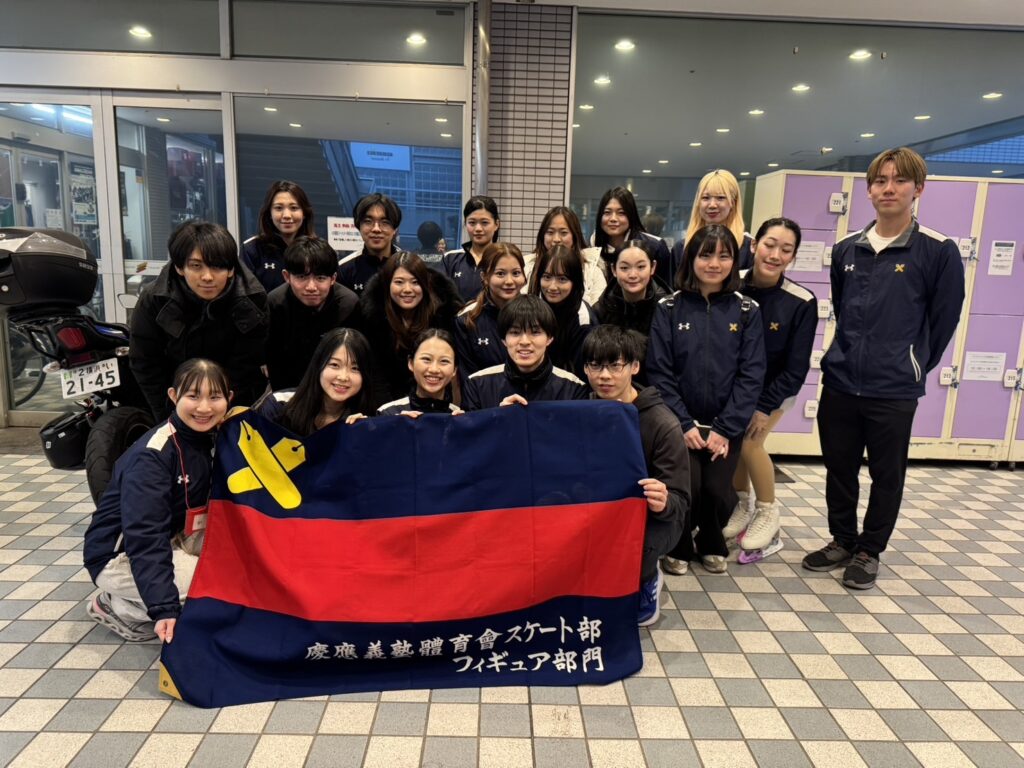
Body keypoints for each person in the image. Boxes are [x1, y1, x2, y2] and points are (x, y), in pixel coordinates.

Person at [804, 147, 965, 590]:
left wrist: (912, 364)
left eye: (899, 180)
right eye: (879, 181)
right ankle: (842, 539)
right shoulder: (846, 249)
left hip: (893, 388)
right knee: (839, 468)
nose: (888, 188)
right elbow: (842, 308)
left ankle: (869, 550)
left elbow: (944, 320)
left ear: (918, 188)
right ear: (869, 189)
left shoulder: (938, 250)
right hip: (841, 381)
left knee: (886, 474)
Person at [83, 359, 232, 643]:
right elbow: (145, 537)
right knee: (216, 587)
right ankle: (121, 607)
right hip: (121, 555)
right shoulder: (152, 456)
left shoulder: (208, 437)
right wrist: (164, 607)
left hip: (176, 535)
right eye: (193, 396)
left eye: (214, 397)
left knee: (242, 567)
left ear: (229, 399)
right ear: (173, 396)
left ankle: (150, 594)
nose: (204, 408)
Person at [646, 225, 766, 575]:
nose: (714, 263)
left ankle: (712, 541)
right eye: (705, 255)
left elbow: (751, 374)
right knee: (689, 487)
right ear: (691, 260)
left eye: (724, 256)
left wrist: (726, 429)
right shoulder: (669, 307)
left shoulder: (747, 310)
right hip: (679, 423)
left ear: (734, 261)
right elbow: (660, 370)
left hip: (725, 426)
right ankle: (679, 545)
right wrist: (682, 423)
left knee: (716, 490)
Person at [583, 326, 689, 626]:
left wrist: (663, 501)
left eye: (615, 366)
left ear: (635, 366)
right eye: (595, 366)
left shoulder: (662, 423)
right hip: (600, 509)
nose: (605, 376)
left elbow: (681, 500)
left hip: (653, 519)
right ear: (585, 368)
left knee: (637, 544)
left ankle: (647, 578)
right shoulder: (581, 410)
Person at [724, 218, 816, 556]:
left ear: (793, 256)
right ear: (754, 245)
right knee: (734, 443)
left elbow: (796, 368)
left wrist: (764, 406)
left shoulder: (801, 301)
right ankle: (741, 504)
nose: (775, 255)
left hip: (774, 390)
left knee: (750, 443)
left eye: (786, 250)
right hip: (733, 386)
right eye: (769, 245)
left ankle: (767, 511)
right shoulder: (730, 284)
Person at [130, 220, 268, 418]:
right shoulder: (155, 299)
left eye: (217, 266)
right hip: (172, 395)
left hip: (232, 397)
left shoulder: (252, 299)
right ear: (179, 267)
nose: (207, 277)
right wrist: (169, 416)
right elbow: (145, 362)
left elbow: (246, 366)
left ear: (231, 269)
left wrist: (222, 415)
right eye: (196, 266)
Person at [358, 251, 463, 408]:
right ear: (387, 284)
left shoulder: (443, 315)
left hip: (436, 400)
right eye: (399, 282)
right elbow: (375, 374)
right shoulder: (373, 319)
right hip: (387, 405)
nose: (407, 289)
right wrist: (392, 412)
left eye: (415, 282)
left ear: (425, 284)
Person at [462, 295, 589, 410]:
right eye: (515, 332)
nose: (524, 341)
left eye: (535, 332)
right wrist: (499, 417)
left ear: (549, 338)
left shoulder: (573, 388)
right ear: (503, 339)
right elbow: (471, 428)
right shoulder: (477, 384)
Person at [265, 236, 360, 390]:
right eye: (301, 277)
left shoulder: (348, 305)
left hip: (337, 385)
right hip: (289, 384)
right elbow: (275, 362)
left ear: (333, 278)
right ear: (287, 276)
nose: (311, 287)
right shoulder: (275, 303)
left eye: (320, 278)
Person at [257, 327, 375, 436]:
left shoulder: (364, 421)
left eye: (355, 368)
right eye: (334, 365)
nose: (343, 377)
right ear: (318, 365)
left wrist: (362, 439)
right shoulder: (278, 406)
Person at [452, 243, 528, 386]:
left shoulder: (536, 314)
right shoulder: (467, 320)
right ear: (485, 276)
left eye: (516, 273)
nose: (509, 281)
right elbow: (467, 378)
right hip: (483, 397)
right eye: (500, 274)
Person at [668, 170, 752, 283]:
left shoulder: (747, 248)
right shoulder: (681, 248)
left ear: (733, 202)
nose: (712, 205)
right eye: (705, 198)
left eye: (720, 198)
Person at [527, 244, 598, 377]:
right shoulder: (531, 308)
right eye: (547, 277)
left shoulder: (584, 320)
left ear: (575, 281)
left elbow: (582, 374)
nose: (552, 287)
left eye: (562, 279)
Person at [241, 180, 316, 293]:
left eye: (294, 208)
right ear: (269, 213)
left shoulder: (317, 250)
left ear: (304, 213)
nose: (286, 215)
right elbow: (245, 294)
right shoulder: (252, 249)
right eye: (279, 208)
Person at [525, 206, 606, 306]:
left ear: (574, 235)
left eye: (563, 233)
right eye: (550, 232)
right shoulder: (527, 266)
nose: (556, 239)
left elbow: (598, 309)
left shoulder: (592, 271)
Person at [593, 238, 671, 340]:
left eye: (641, 267)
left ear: (652, 267)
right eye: (624, 268)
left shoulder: (668, 308)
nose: (633, 275)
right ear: (614, 270)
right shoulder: (602, 309)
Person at [592, 186, 671, 283]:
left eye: (621, 213)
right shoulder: (592, 247)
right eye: (607, 212)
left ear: (631, 215)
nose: (613, 219)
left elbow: (665, 288)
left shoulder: (655, 247)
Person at [377, 329, 463, 416]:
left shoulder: (459, 416)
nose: (434, 369)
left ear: (454, 370)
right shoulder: (388, 413)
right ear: (411, 363)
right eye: (426, 359)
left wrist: (462, 423)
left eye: (444, 361)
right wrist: (397, 423)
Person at [337, 193, 402, 295]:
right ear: (358, 226)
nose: (376, 229)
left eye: (385, 222)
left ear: (395, 229)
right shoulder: (344, 269)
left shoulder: (408, 265)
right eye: (368, 221)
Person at [442, 196, 502, 301]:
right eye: (472, 223)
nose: (478, 229)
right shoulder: (450, 259)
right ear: (465, 223)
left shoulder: (505, 259)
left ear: (496, 224)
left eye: (484, 222)